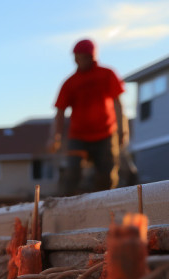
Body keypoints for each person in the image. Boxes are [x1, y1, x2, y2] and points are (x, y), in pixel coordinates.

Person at [50, 38, 128, 194]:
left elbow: (118, 103)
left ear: (92, 56)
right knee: (72, 173)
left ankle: (105, 206)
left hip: (105, 134)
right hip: (78, 137)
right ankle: (67, 207)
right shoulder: (70, 83)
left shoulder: (107, 74)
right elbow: (59, 112)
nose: (80, 60)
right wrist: (55, 137)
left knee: (106, 175)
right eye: (77, 57)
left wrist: (122, 130)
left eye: (84, 56)